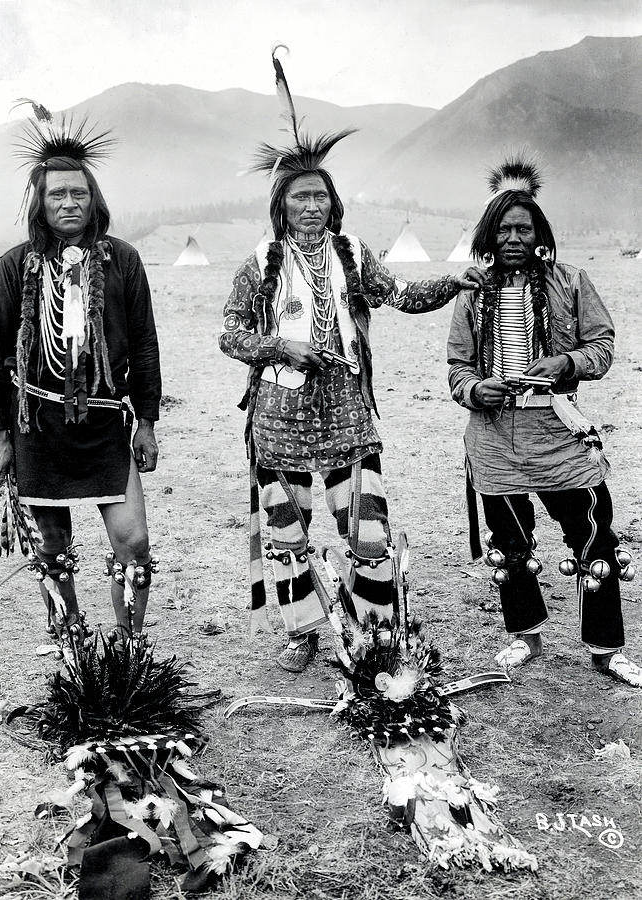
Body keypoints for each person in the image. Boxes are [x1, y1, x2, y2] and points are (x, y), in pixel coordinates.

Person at [219, 49, 483, 673]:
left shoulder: (354, 253)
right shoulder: (261, 262)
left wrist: (455, 282)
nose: (310, 207)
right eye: (299, 198)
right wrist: (283, 347)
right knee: (288, 526)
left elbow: (401, 296)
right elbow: (230, 334)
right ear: (282, 205)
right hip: (278, 411)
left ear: (334, 204)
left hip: (345, 408)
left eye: (320, 197)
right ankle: (301, 629)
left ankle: (379, 624)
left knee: (365, 522)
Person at [447, 156, 640, 687]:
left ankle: (605, 649)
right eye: (504, 228)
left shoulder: (572, 281)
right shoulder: (473, 292)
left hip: (559, 430)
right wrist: (473, 389)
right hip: (494, 437)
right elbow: (457, 367)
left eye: (523, 228)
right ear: (489, 234)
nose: (513, 237)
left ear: (539, 234)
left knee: (594, 536)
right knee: (509, 540)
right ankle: (525, 636)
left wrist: (566, 363)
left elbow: (602, 346)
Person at [0, 104, 161, 651]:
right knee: (51, 545)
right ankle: (71, 638)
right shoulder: (15, 266)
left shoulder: (122, 261)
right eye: (57, 194)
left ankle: (130, 644)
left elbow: (146, 343)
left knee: (134, 543)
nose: (68, 203)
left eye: (77, 194)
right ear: (40, 202)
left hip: (107, 418)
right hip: (36, 420)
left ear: (94, 199)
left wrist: (147, 421)